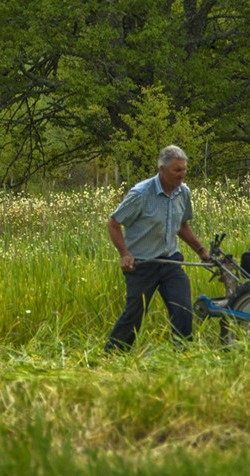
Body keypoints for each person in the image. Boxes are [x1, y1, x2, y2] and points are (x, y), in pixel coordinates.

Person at [105, 145, 211, 352]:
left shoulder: (183, 192)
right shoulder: (141, 194)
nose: (182, 175)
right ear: (162, 170)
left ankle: (183, 355)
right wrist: (125, 254)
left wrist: (201, 250)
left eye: (184, 169)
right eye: (177, 170)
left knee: (182, 310)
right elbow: (113, 223)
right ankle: (112, 355)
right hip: (142, 264)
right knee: (135, 314)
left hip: (170, 261)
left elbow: (182, 225)